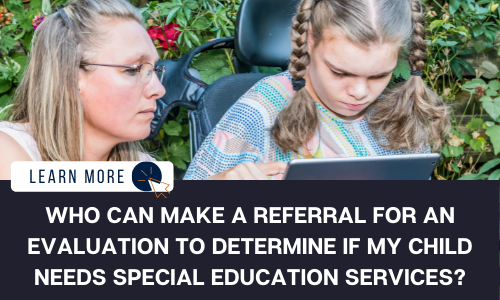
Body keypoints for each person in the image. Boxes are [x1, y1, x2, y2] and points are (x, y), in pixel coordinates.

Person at [184, 0, 450, 180]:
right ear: (310, 39)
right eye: (340, 72)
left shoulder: (397, 115)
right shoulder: (259, 112)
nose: (359, 92)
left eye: (379, 75)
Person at [0, 0, 166, 180]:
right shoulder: (8, 152)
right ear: (68, 77)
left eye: (154, 70)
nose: (158, 89)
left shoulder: (143, 168)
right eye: (132, 70)